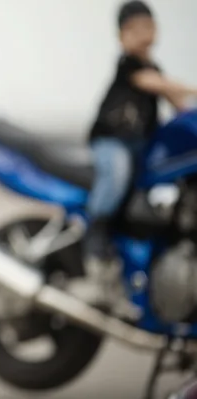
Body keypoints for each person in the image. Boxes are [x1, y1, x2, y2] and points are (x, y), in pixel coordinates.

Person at [84, 0, 197, 274]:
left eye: (147, 26)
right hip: (113, 141)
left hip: (142, 144)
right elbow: (158, 85)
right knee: (118, 174)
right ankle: (96, 229)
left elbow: (177, 102)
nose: (142, 34)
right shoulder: (130, 65)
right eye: (133, 29)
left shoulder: (154, 68)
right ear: (121, 36)